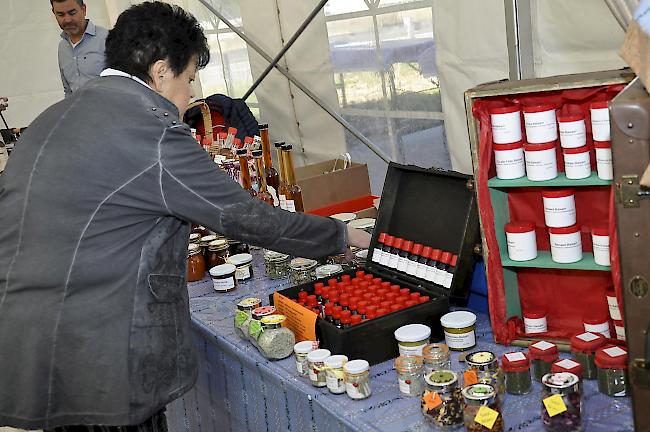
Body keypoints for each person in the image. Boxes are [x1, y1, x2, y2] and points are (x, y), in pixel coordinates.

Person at [0, 2, 370, 431]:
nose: (192, 93)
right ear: (160, 72)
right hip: (100, 353)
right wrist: (342, 235)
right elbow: (243, 217)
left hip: (28, 342)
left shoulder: (51, 120)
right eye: (190, 76)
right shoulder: (150, 130)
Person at [52, 0, 108, 97]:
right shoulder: (62, 47)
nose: (67, 20)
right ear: (54, 13)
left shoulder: (107, 39)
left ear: (84, 9)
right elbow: (68, 91)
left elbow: (124, 84)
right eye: (61, 15)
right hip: (78, 111)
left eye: (72, 13)